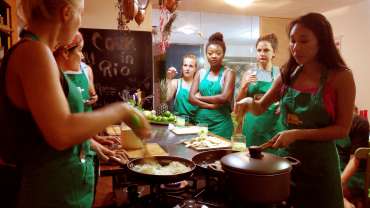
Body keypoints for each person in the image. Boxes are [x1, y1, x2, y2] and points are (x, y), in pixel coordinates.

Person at [0, 1, 151, 207]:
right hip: (48, 192)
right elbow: (61, 132)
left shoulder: (37, 51)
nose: (79, 23)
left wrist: (91, 142)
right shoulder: (35, 53)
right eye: (81, 13)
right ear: (67, 13)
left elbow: (45, 126)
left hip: (62, 187)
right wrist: (121, 110)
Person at [235, 12, 355, 208]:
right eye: (292, 41)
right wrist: (248, 102)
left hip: (320, 167)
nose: (296, 47)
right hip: (285, 163)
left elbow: (342, 129)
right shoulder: (288, 73)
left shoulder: (341, 77)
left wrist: (297, 133)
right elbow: (260, 108)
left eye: (304, 41)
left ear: (322, 42)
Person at [235, 33, 284, 155]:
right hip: (253, 123)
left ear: (273, 53)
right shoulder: (249, 73)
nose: (262, 53)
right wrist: (245, 86)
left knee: (273, 159)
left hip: (273, 121)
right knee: (252, 158)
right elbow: (239, 101)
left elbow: (288, 96)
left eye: (266, 50)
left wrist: (283, 104)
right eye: (259, 50)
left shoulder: (280, 73)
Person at [189, 32, 235, 139]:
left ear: (223, 54)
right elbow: (191, 98)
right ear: (206, 55)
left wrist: (200, 97)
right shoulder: (200, 73)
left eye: (218, 53)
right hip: (201, 123)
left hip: (222, 124)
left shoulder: (228, 73)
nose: (214, 56)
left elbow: (224, 97)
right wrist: (209, 106)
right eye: (210, 53)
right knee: (200, 153)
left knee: (221, 154)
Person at [337, 106, 369, 208]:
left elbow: (355, 161)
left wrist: (337, 185)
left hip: (354, 175)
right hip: (337, 169)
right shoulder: (331, 122)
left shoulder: (360, 124)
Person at [166, 53, 198, 123]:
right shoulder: (176, 82)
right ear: (182, 67)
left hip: (195, 125)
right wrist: (169, 78)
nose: (187, 68)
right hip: (178, 123)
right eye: (185, 65)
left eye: (191, 66)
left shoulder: (199, 86)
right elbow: (167, 98)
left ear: (195, 69)